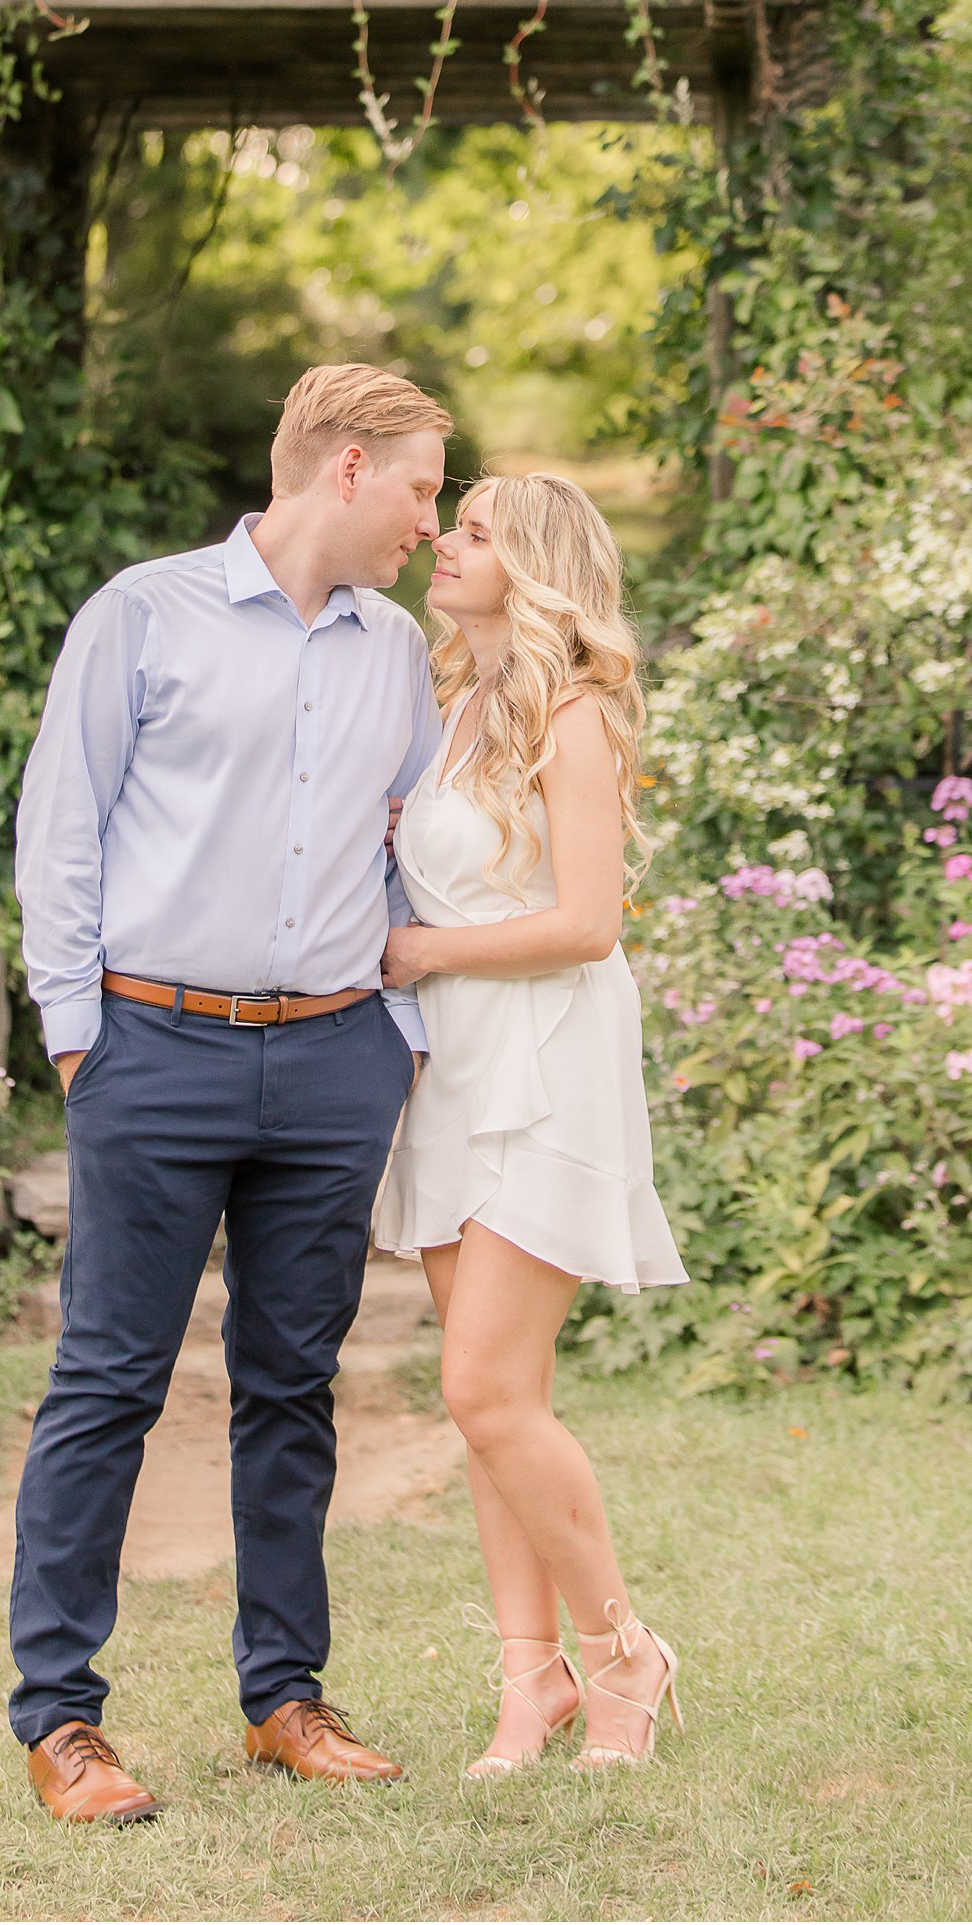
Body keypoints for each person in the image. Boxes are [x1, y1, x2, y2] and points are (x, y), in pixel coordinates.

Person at [9, 363, 451, 1822]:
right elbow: (61, 831)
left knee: (291, 1391)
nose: (431, 525)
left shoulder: (398, 651)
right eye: (420, 488)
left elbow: (417, 844)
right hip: (154, 1050)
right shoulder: (142, 614)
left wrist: (390, 1031)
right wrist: (82, 1036)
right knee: (109, 1382)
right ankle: (61, 1719)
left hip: (333, 1059)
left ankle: (284, 1698)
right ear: (342, 466)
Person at [373, 471, 689, 1777]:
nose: (445, 541)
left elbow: (588, 921)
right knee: (492, 1403)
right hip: (449, 1065)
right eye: (451, 524)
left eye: (477, 531)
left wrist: (419, 950)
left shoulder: (578, 717)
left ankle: (624, 1650)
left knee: (484, 1386)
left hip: (550, 1060)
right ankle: (532, 1679)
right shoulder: (444, 709)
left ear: (538, 565)